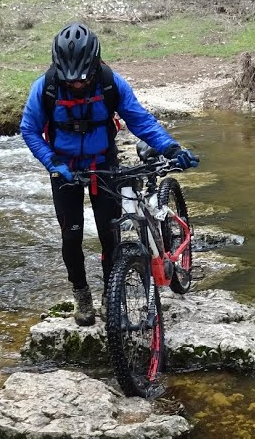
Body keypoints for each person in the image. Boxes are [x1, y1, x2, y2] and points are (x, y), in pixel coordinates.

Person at [20, 23, 199, 327]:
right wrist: (52, 162)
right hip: (64, 169)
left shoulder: (110, 83)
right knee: (72, 236)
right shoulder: (46, 87)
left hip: (104, 164)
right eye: (70, 79)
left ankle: (110, 296)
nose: (77, 84)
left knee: (109, 234)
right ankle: (82, 295)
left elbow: (140, 120)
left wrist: (170, 147)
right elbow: (29, 130)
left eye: (83, 78)